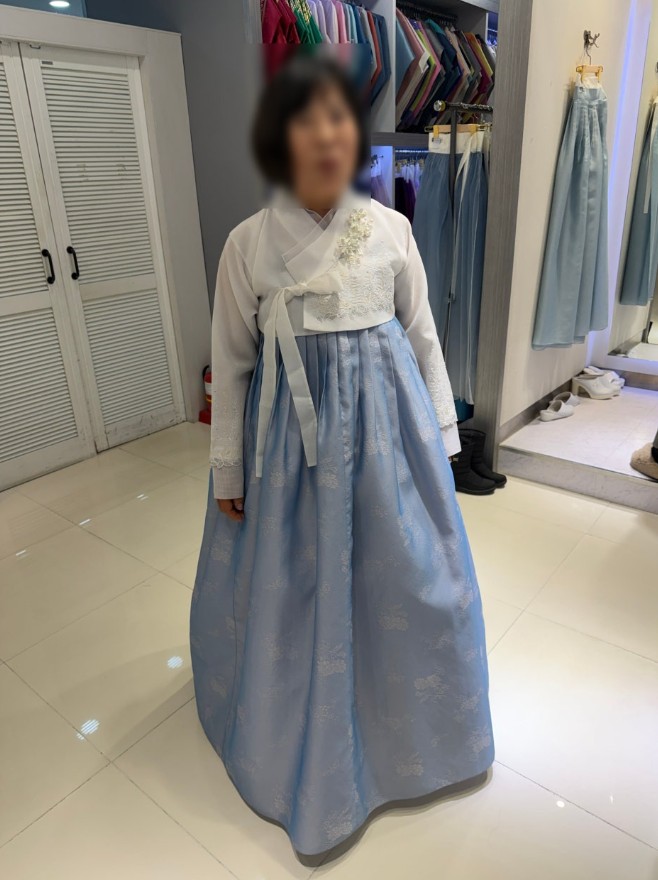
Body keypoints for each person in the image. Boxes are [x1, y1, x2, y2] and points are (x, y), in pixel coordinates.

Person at [190, 55, 494, 857]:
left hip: (388, 441)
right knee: (298, 582)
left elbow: (423, 339)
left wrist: (443, 443)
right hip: (290, 454)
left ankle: (412, 724)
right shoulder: (248, 244)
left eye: (338, 121)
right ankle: (301, 732)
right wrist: (228, 467)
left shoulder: (391, 230)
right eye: (305, 123)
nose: (325, 138)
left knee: (407, 573)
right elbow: (232, 362)